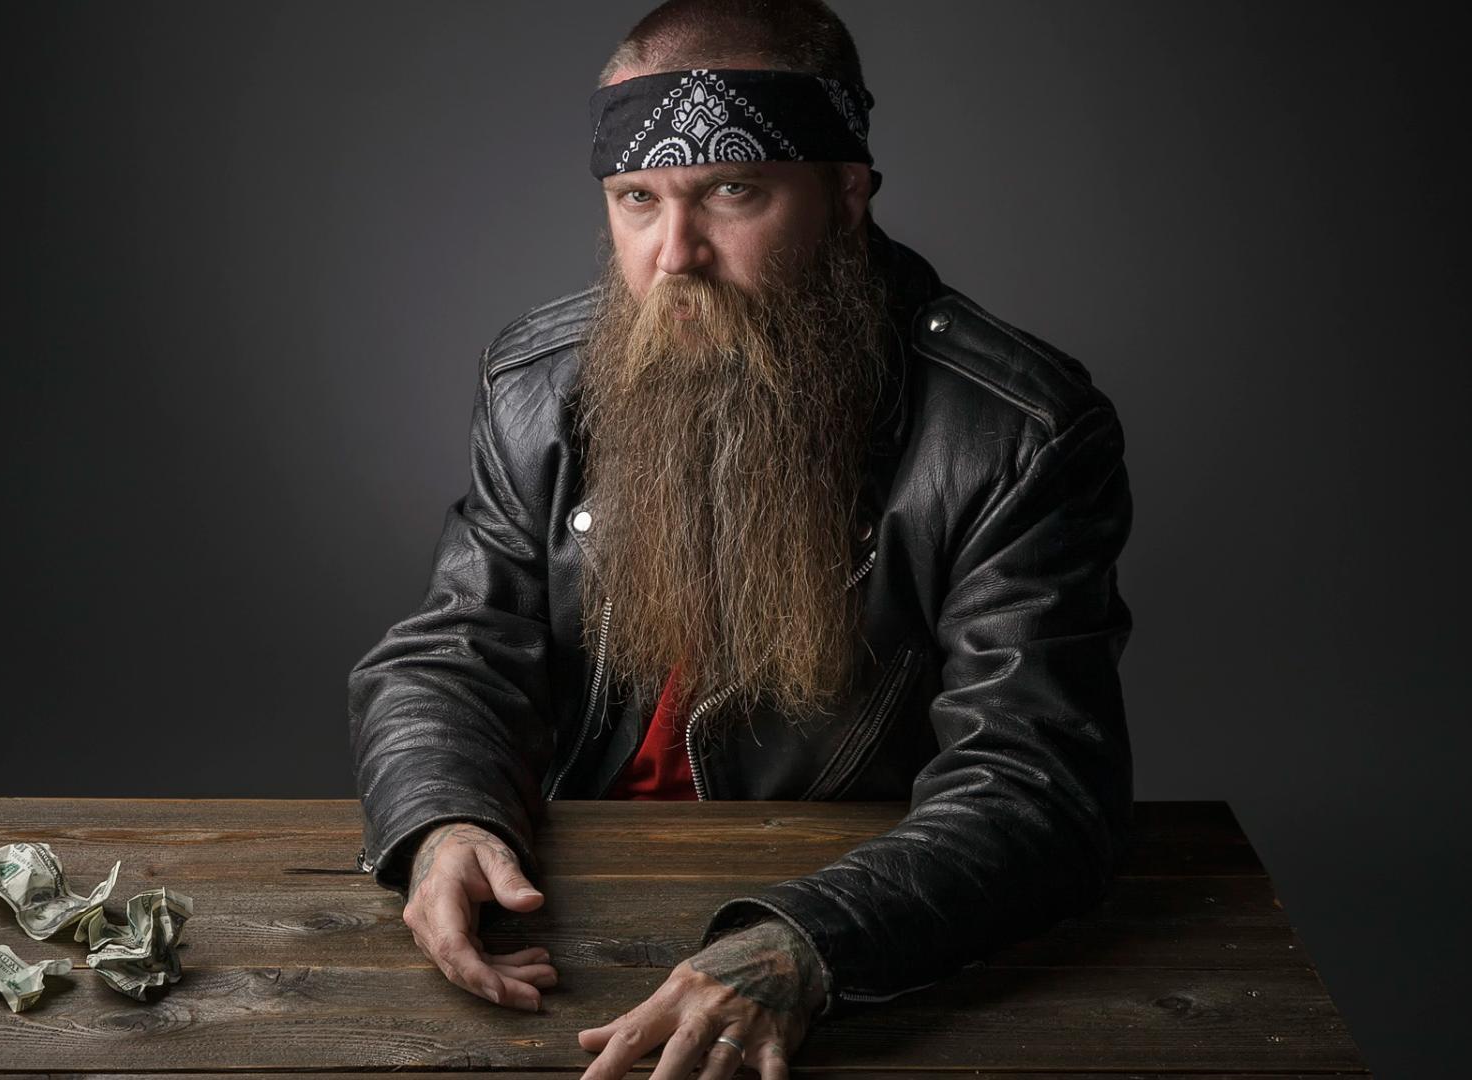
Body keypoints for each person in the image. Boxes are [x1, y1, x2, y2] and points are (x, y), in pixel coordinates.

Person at [347, 2, 1136, 1078]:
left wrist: (809, 946)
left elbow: (1038, 784)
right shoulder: (538, 382)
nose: (675, 256)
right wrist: (443, 819)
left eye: (733, 192)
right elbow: (459, 647)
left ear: (845, 194)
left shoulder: (1017, 434)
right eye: (638, 199)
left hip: (857, 917)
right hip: (566, 912)